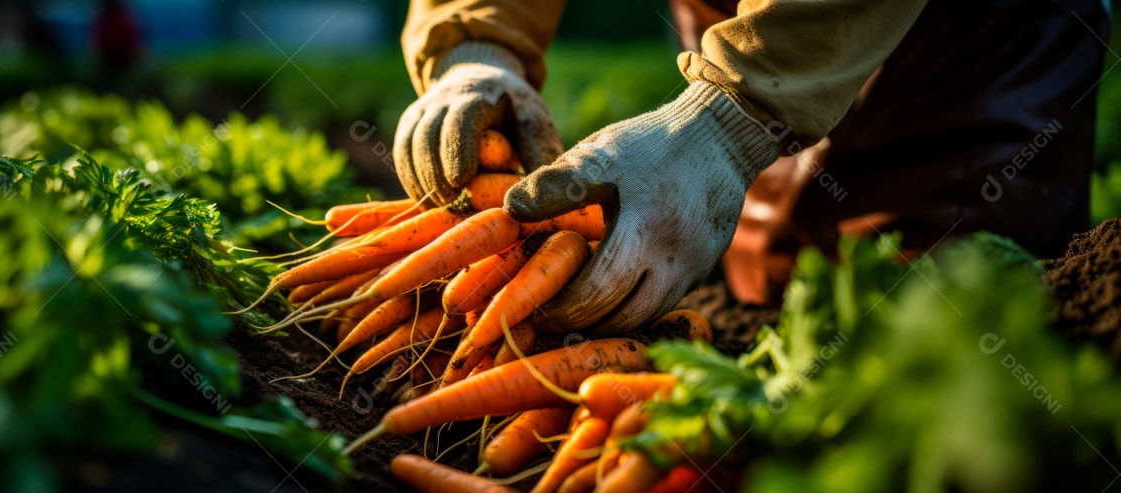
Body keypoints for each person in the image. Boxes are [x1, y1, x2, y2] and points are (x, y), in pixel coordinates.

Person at [395, 0, 1111, 335]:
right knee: (776, 285)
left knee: (943, 322)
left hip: (969, 61)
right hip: (756, 49)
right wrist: (477, 44)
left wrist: (730, 119)